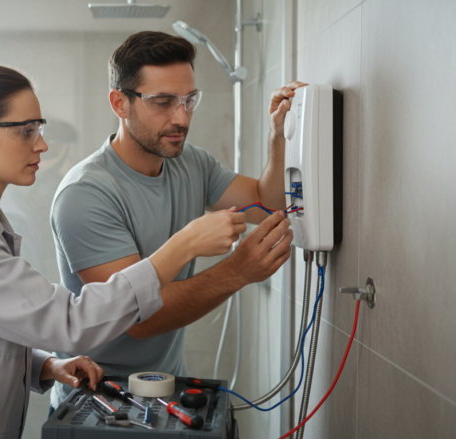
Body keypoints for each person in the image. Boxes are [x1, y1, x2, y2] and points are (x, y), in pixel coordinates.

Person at [0, 64, 248, 439]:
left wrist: (44, 366)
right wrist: (183, 246)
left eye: (39, 129)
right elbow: (71, 323)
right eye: (26, 131)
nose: (41, 144)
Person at [49, 31, 304, 409]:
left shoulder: (190, 163)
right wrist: (237, 271)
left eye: (189, 100)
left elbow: (267, 202)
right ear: (120, 103)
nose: (181, 117)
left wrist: (278, 136)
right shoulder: (85, 195)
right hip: (96, 397)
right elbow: (138, 320)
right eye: (163, 102)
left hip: (163, 388)